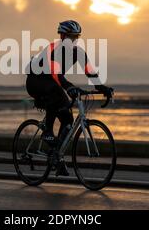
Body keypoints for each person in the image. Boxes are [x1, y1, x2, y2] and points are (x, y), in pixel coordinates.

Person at [26, 20, 113, 176]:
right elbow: (56, 75)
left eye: (76, 37)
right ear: (62, 36)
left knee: (67, 118)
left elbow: (91, 73)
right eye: (70, 37)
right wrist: (70, 87)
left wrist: (102, 88)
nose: (73, 41)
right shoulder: (52, 50)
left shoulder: (78, 53)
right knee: (55, 92)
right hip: (36, 81)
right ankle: (47, 132)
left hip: (53, 83)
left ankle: (57, 157)